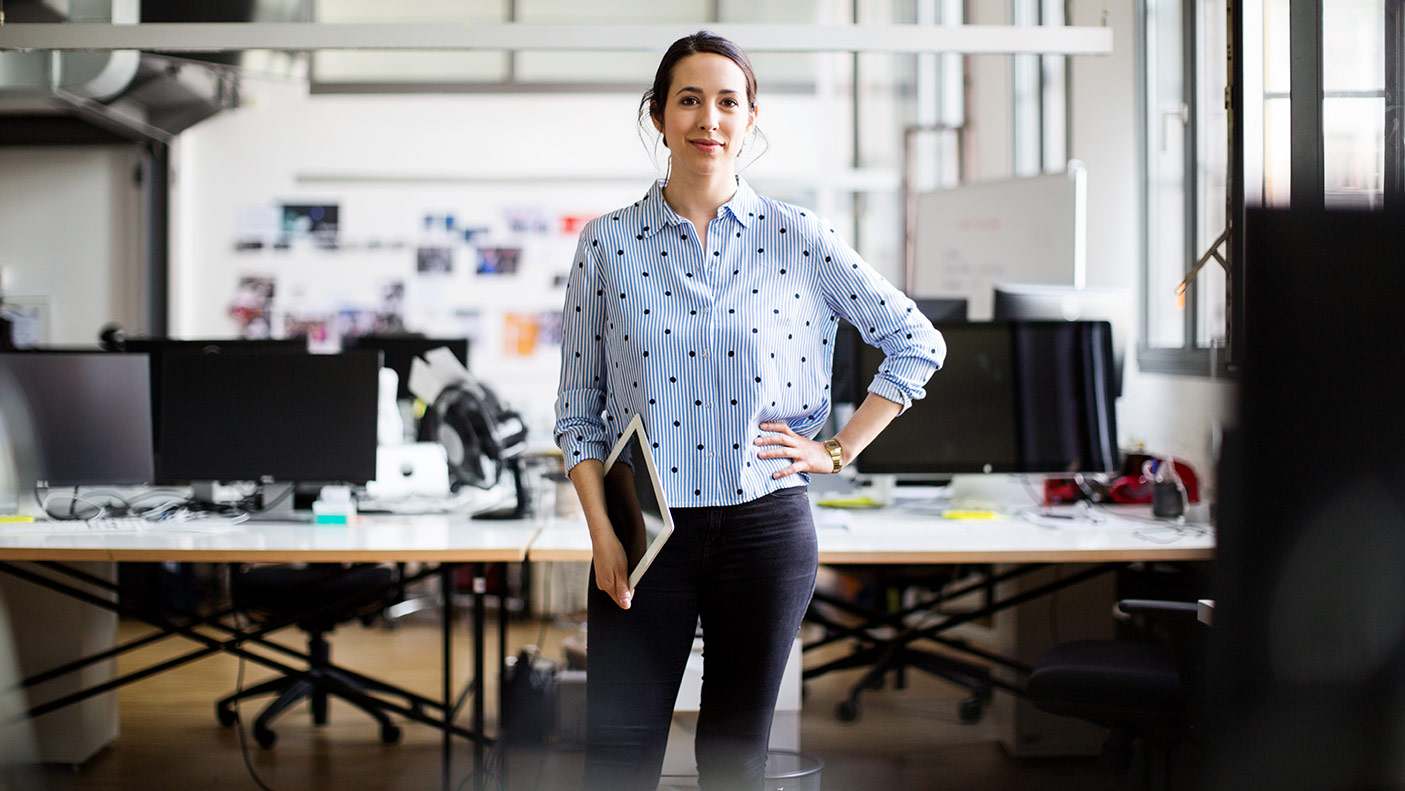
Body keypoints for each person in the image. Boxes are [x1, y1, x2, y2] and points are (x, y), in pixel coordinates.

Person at [554, 30, 946, 791]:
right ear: (659, 117)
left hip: (763, 525)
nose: (709, 118)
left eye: (726, 101)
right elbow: (579, 410)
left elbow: (914, 342)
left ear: (750, 117)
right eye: (689, 100)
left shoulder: (799, 236)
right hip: (646, 532)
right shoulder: (606, 245)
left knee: (735, 757)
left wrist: (837, 449)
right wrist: (602, 533)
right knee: (616, 758)